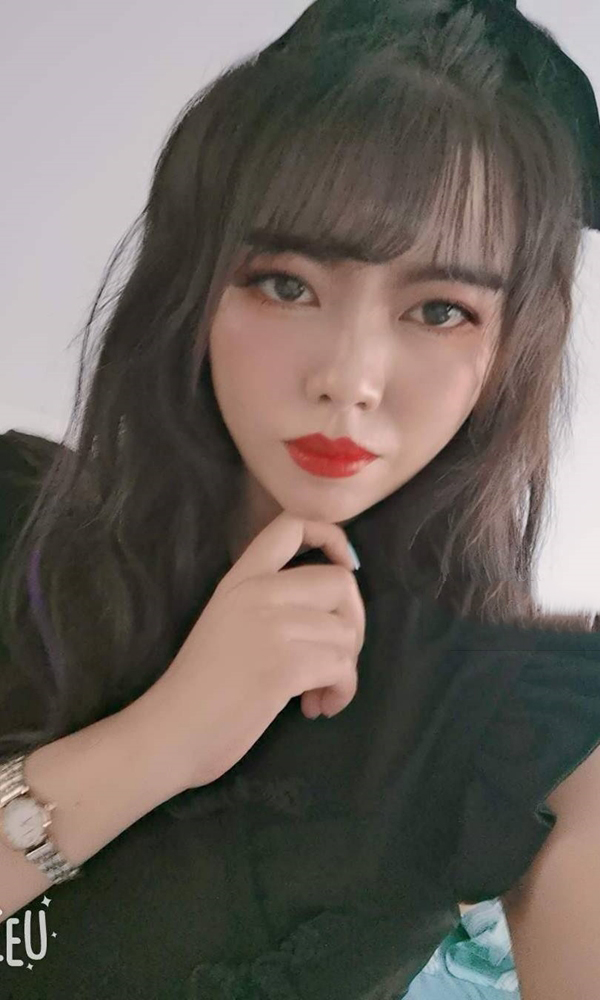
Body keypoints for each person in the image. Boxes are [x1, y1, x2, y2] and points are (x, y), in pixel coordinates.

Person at [1, 1, 599, 997]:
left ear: (509, 350)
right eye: (286, 284)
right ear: (194, 285)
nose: (349, 378)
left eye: (439, 309)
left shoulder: (530, 720)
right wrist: (161, 741)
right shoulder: (14, 516)